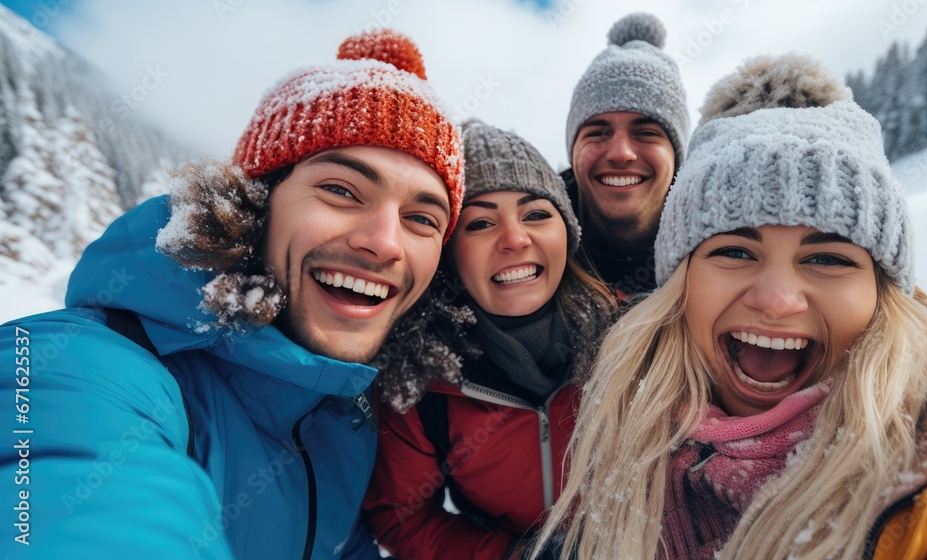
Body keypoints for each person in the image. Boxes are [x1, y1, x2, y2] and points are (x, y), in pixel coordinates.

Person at [0, 29, 463, 560]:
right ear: (256, 203)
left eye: (422, 219)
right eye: (340, 190)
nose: (384, 243)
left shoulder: (345, 419)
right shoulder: (82, 364)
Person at [533, 53, 927, 559]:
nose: (776, 302)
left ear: (883, 292)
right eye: (735, 251)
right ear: (679, 284)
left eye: (827, 258)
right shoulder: (622, 441)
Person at [361, 120, 619, 559]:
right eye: (480, 223)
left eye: (537, 214)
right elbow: (400, 514)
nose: (515, 239)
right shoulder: (420, 384)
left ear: (567, 233)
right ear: (448, 256)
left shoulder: (632, 337)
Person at [562, 12, 690, 297]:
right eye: (598, 132)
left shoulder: (722, 256)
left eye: (646, 133)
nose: (621, 154)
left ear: (676, 156)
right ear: (573, 152)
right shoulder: (523, 251)